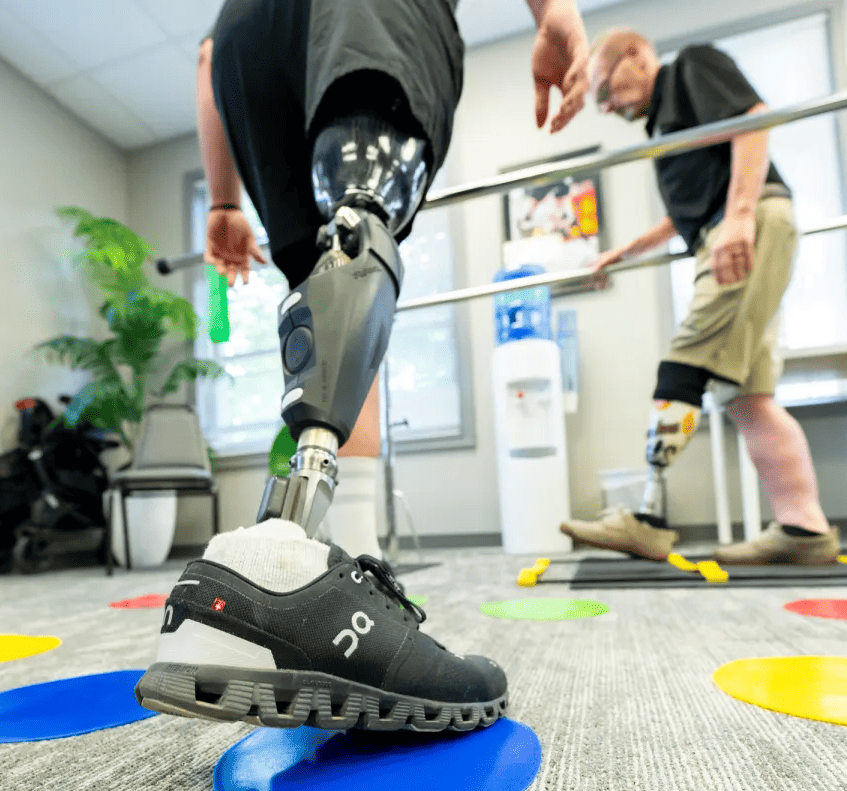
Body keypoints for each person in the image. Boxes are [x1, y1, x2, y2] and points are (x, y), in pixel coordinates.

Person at [135, 0, 591, 733]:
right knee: (360, 228)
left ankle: (330, 582)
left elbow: (204, 58)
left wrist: (222, 200)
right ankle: (284, 566)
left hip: (244, 45)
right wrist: (555, 11)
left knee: (327, 291)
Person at [559, 29, 840, 566]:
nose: (610, 106)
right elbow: (691, 207)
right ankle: (805, 530)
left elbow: (753, 120)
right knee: (749, 397)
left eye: (606, 91)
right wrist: (629, 250)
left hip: (745, 227)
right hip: (735, 227)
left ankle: (647, 521)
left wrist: (738, 216)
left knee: (682, 366)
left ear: (637, 56)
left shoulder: (692, 67)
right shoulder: (666, 124)